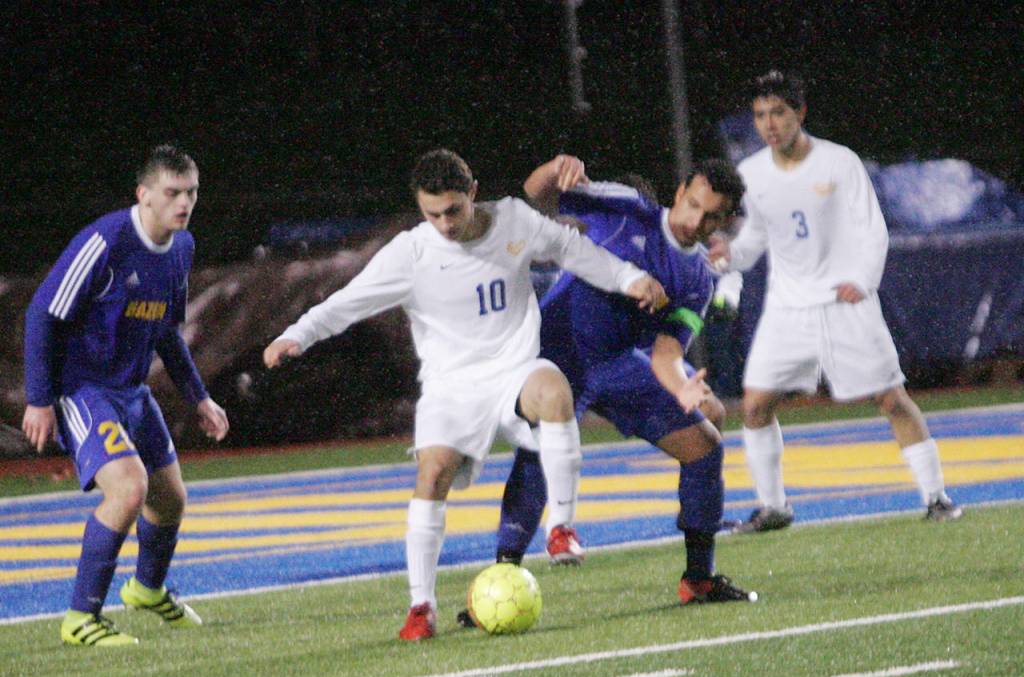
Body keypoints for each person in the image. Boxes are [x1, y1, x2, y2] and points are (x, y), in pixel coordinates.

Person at [262, 149, 667, 641]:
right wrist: (296, 336)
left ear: (473, 192)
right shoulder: (411, 253)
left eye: (453, 210)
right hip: (452, 385)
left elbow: (574, 251)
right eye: (432, 213)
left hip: (515, 368)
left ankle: (560, 528)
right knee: (432, 474)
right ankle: (421, 606)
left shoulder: (514, 220)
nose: (445, 223)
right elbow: (349, 301)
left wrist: (630, 278)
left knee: (555, 391)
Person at [458, 153, 756, 629]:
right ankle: (501, 576)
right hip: (557, 350)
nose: (695, 221)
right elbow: (535, 199)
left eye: (711, 216)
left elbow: (664, 354)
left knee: (704, 448)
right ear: (680, 193)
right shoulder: (626, 208)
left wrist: (682, 389)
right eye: (693, 205)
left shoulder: (698, 279)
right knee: (539, 449)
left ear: (726, 222)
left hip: (616, 365)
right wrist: (556, 169)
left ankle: (699, 579)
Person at [709, 70, 962, 532]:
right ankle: (774, 507)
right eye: (761, 115)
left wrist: (863, 280)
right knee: (754, 405)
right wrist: (730, 255)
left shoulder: (839, 162)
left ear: (800, 113)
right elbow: (755, 240)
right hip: (787, 309)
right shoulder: (751, 174)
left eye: (778, 113)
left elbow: (873, 229)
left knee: (891, 399)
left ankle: (937, 497)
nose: (769, 124)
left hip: (845, 304)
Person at [22, 144, 230, 646]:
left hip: (132, 392)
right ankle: (80, 618)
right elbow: (41, 315)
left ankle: (146, 589)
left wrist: (199, 397)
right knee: (129, 488)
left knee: (171, 499)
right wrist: (40, 397)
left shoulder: (181, 248)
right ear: (144, 195)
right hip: (83, 388)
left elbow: (165, 331)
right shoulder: (106, 241)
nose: (184, 202)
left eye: (192, 193)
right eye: (172, 192)